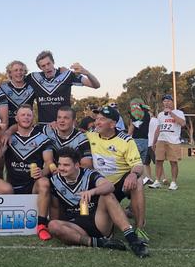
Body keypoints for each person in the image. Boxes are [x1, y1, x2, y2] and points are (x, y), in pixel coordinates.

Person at [47, 147, 149, 258]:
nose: (61, 168)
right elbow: (54, 207)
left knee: (108, 195)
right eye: (59, 164)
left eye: (66, 165)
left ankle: (132, 239)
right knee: (53, 225)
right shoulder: (55, 181)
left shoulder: (88, 174)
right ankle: (99, 243)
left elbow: (109, 186)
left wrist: (92, 191)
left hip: (98, 220)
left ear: (77, 165)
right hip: (76, 226)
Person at [86, 105, 149, 241]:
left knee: (138, 181)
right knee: (100, 224)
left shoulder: (126, 140)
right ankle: (125, 212)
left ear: (113, 124)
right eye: (97, 119)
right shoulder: (90, 136)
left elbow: (138, 165)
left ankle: (139, 229)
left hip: (120, 185)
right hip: (99, 187)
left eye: (102, 119)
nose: (97, 122)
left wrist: (133, 174)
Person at [0, 104, 54, 241]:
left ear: (33, 118)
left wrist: (42, 172)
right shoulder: (9, 138)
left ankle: (42, 226)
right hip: (12, 187)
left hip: (32, 186)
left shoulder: (42, 138)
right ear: (16, 118)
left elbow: (49, 163)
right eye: (23, 115)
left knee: (44, 182)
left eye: (29, 115)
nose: (26, 117)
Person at [28, 50, 100, 124]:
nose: (47, 67)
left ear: (53, 62)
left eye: (48, 64)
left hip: (64, 125)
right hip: (44, 126)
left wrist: (87, 73)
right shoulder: (34, 77)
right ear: (40, 68)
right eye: (43, 66)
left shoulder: (66, 74)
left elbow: (96, 85)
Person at [149, 94, 185, 190]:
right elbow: (158, 129)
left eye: (168, 101)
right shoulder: (160, 114)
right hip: (161, 140)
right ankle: (157, 181)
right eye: (164, 101)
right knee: (158, 161)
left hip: (173, 141)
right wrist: (154, 142)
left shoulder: (179, 112)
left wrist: (171, 113)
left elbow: (182, 123)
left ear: (172, 102)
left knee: (173, 162)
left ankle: (173, 182)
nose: (166, 103)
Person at [0, 60, 35, 127]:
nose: (19, 72)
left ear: (25, 72)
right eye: (15, 70)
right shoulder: (2, 88)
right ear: (10, 73)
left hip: (27, 128)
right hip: (7, 128)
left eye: (21, 70)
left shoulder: (32, 88)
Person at [127, 98, 154, 185]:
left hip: (136, 140)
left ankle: (135, 179)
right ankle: (141, 180)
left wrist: (127, 137)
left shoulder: (135, 113)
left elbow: (132, 126)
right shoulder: (147, 114)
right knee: (140, 163)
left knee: (133, 162)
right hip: (146, 140)